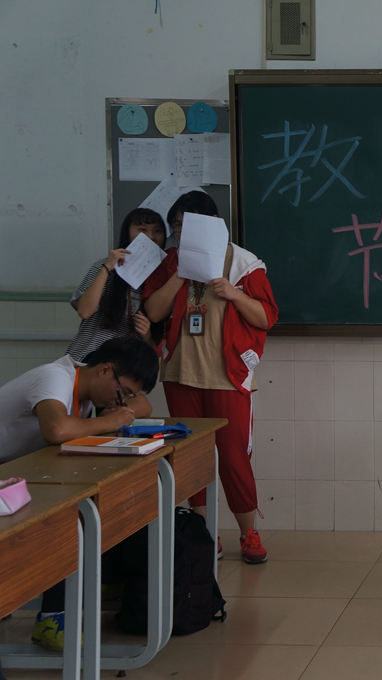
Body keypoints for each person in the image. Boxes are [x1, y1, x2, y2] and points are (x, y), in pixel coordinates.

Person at [143, 191, 278, 564]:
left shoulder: (244, 264)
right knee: (190, 457)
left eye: (187, 226)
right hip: (180, 374)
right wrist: (179, 275)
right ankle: (203, 534)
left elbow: (266, 318)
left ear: (212, 224)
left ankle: (249, 533)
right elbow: (153, 312)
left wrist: (234, 295)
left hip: (227, 377)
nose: (180, 234)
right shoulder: (173, 262)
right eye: (177, 227)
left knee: (234, 457)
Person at [0, 336, 159, 650]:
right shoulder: (55, 377)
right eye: (123, 392)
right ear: (104, 370)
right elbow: (57, 430)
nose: (124, 400)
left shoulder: (87, 392)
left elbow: (144, 405)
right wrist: (109, 421)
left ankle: (81, 592)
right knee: (68, 520)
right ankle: (52, 616)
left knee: (88, 509)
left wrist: (119, 410)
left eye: (128, 395)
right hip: (8, 476)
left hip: (18, 475)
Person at [64, 207, 167, 416]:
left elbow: (154, 348)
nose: (150, 237)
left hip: (121, 374)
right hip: (86, 362)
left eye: (157, 231)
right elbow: (84, 311)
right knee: (75, 419)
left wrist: (147, 335)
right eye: (142, 230)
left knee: (132, 413)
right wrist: (107, 267)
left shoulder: (161, 280)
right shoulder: (104, 267)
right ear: (126, 233)